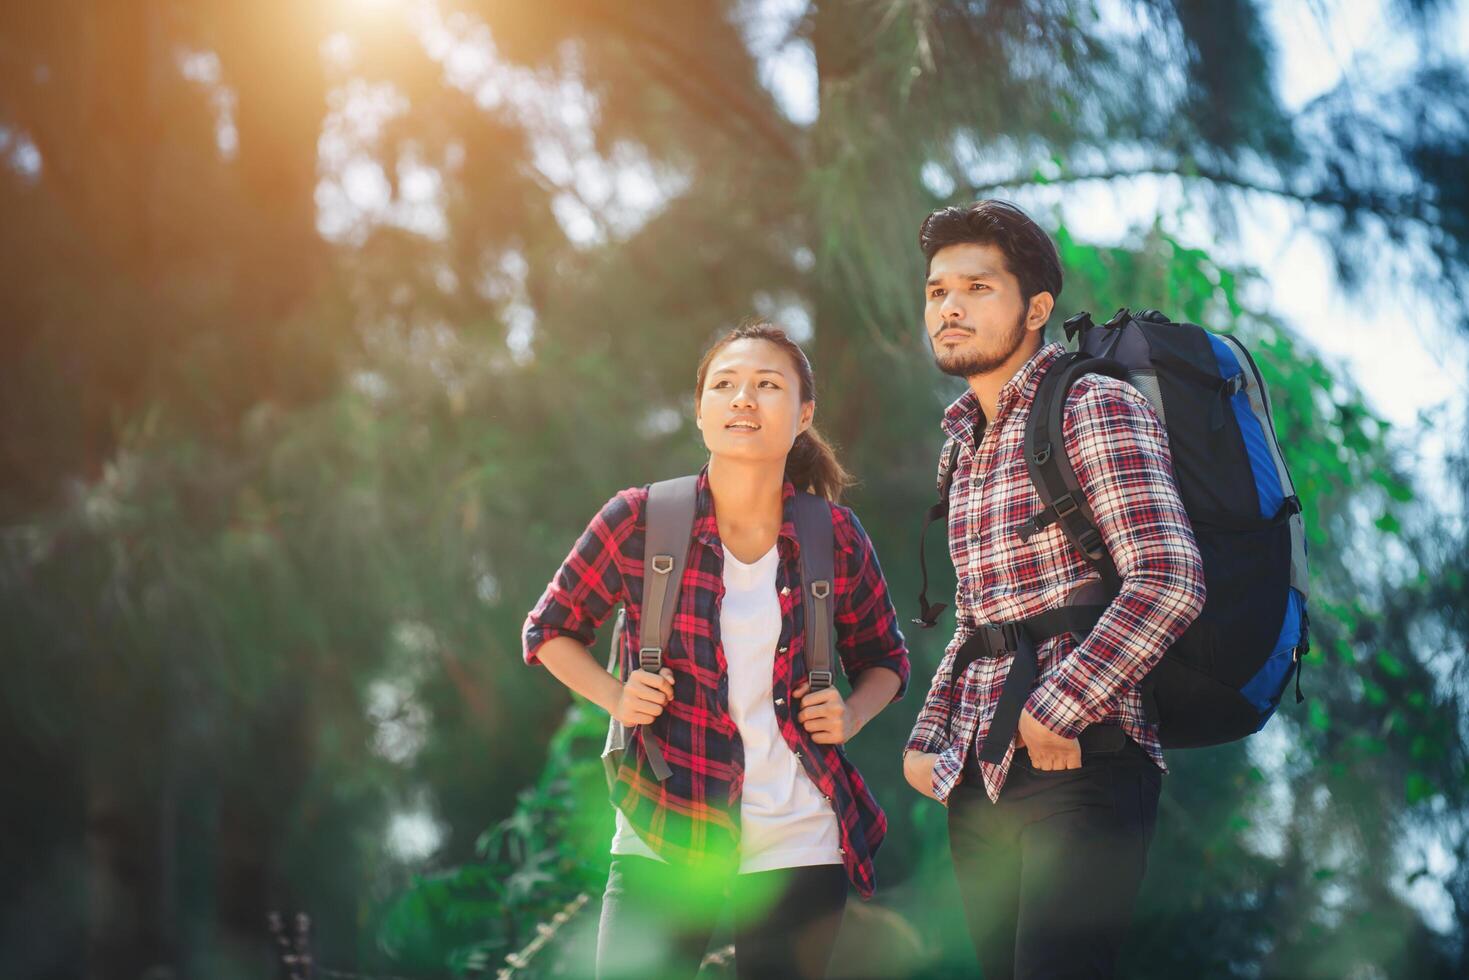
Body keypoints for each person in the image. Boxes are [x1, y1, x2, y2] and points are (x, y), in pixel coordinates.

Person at [523, 321, 910, 979]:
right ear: (700, 410)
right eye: (724, 385)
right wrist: (616, 695)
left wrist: (851, 715)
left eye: (767, 385)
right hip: (664, 826)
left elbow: (885, 660)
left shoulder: (835, 536)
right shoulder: (639, 519)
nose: (743, 400)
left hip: (799, 837)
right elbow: (549, 630)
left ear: (802, 413)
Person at [901, 200, 1207, 978]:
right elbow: (980, 618)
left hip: (1084, 757)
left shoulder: (1091, 403)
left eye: (976, 287)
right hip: (978, 775)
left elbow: (1169, 576)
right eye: (937, 291)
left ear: (1035, 308)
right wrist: (926, 736)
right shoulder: (962, 446)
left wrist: (1053, 708)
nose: (949, 307)